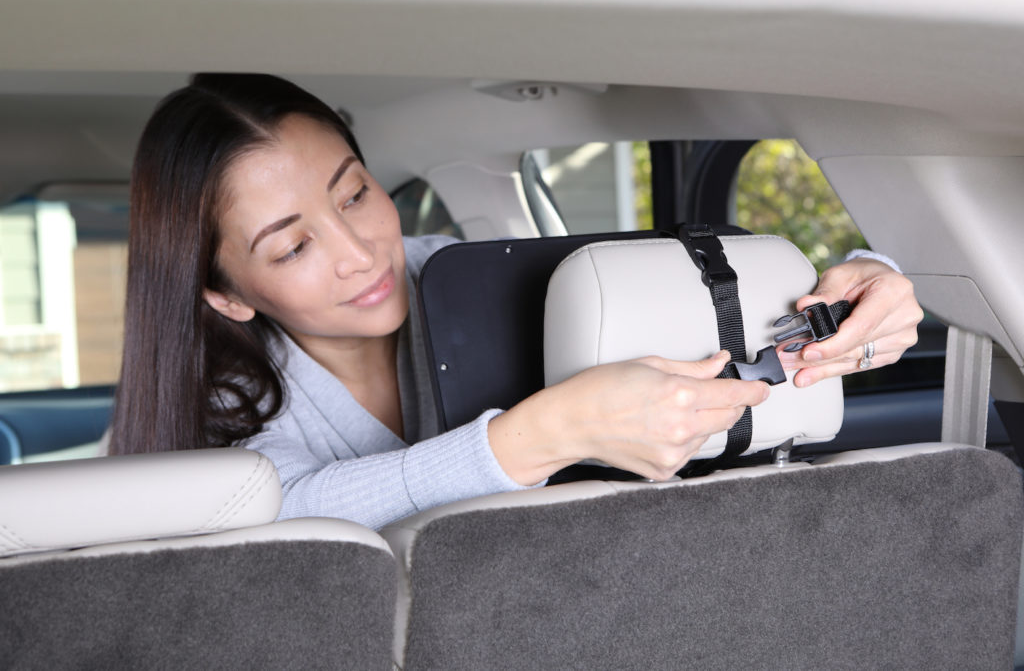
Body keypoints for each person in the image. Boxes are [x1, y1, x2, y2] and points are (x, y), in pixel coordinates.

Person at [109, 73, 923, 530]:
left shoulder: (477, 273)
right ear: (226, 294)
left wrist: (860, 285)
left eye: (355, 195)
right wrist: (545, 432)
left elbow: (693, 294)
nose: (359, 255)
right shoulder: (206, 405)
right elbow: (273, 507)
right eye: (292, 247)